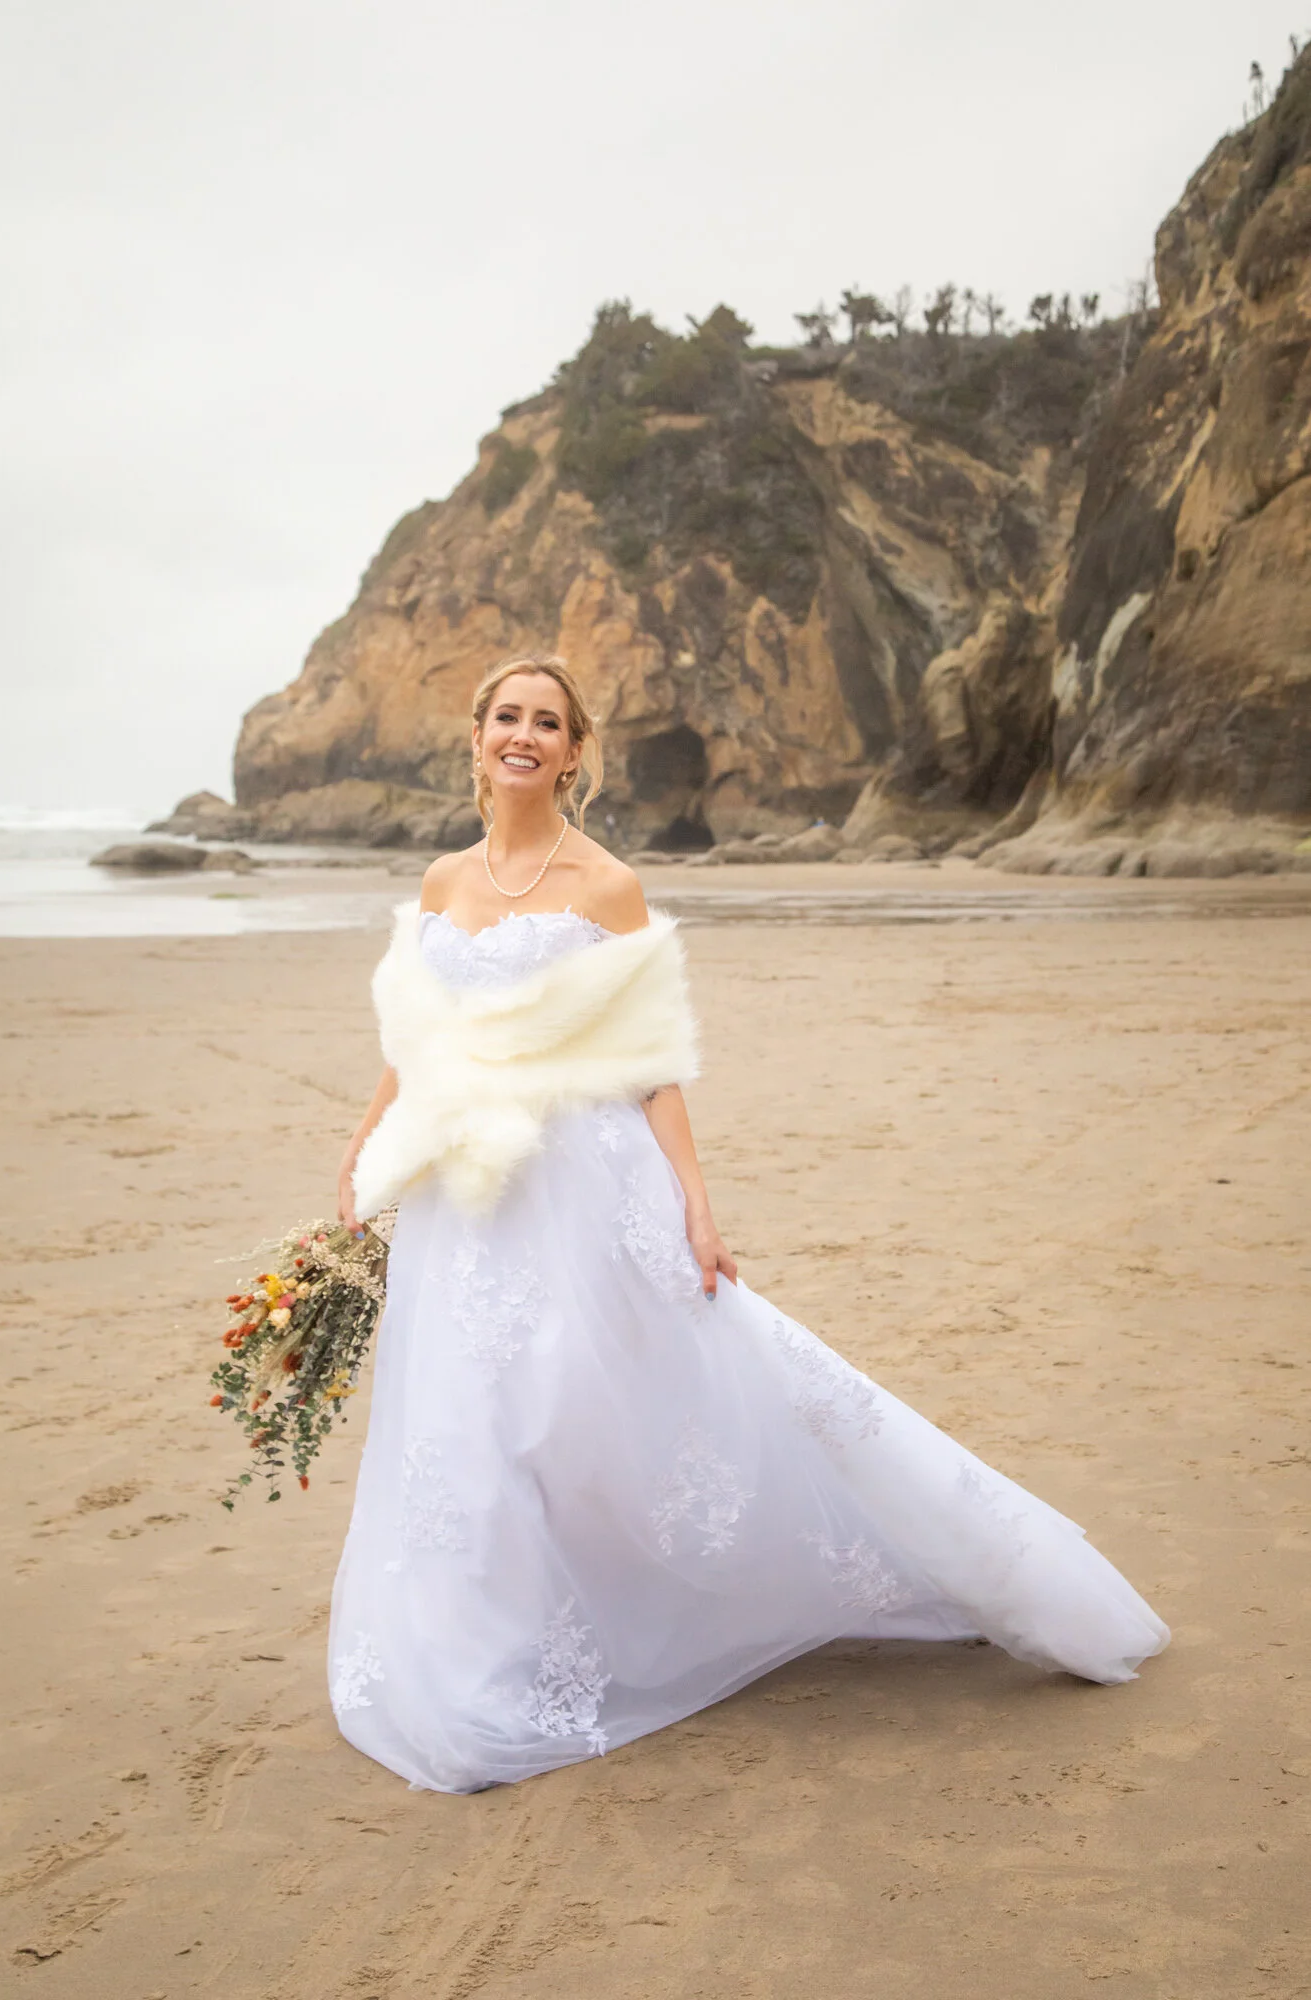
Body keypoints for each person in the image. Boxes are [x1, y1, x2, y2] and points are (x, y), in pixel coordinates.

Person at [329, 653, 1168, 1793]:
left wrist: (696, 1206)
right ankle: (483, 1653)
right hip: (457, 1192)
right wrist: (365, 1149)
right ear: (475, 739)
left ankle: (920, 1561)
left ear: (574, 752)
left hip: (581, 1180)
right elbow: (414, 1040)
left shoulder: (606, 884)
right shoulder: (439, 881)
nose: (524, 734)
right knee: (473, 1414)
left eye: (547, 721)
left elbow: (654, 1065)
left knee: (629, 1397)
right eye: (506, 717)